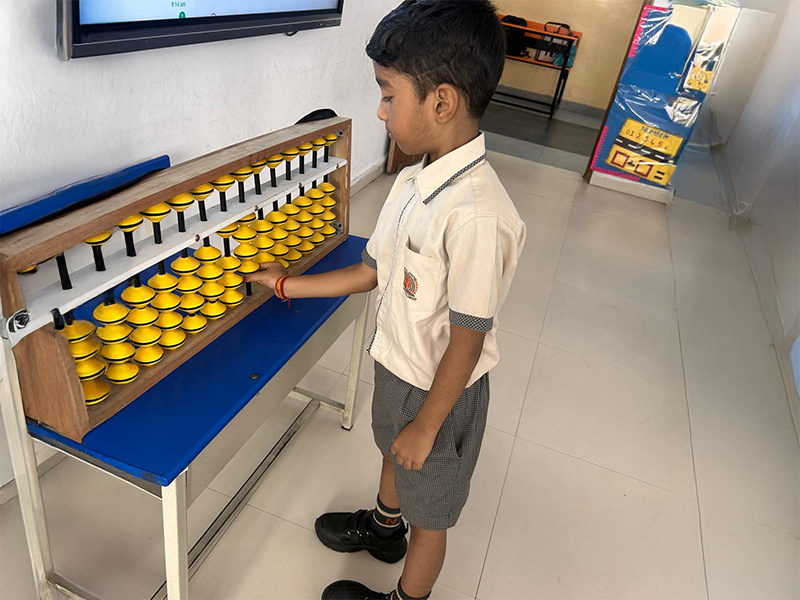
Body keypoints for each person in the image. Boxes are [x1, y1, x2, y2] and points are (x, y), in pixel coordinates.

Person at [246, 1, 525, 598]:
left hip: (441, 394)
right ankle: (382, 527)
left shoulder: (477, 216)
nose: (379, 110)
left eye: (387, 94)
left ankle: (407, 594)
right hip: (399, 368)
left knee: (431, 514)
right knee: (391, 452)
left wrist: (427, 426)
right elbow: (369, 272)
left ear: (441, 102)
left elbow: (467, 339)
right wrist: (287, 284)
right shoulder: (411, 180)